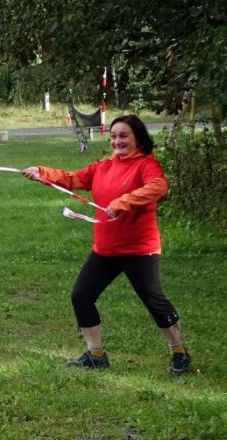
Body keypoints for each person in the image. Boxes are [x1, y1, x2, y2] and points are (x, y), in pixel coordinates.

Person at [20, 114, 189, 374]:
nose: (117, 141)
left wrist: (122, 202)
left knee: (154, 301)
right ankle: (96, 355)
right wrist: (41, 173)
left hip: (139, 249)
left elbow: (158, 187)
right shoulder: (103, 167)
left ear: (137, 139)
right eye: (113, 136)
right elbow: (73, 179)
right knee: (81, 296)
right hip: (106, 249)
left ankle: (179, 352)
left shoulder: (146, 164)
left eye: (123, 136)